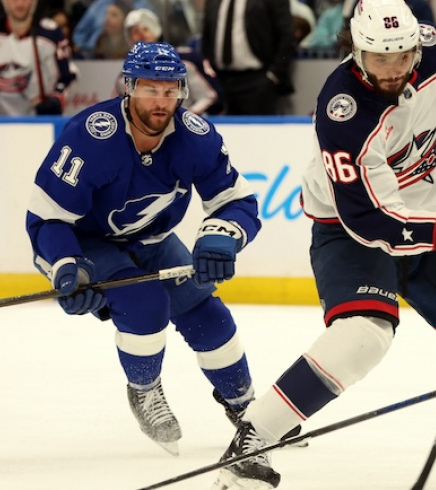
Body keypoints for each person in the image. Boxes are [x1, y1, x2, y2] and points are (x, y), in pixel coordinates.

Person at [209, 1, 436, 488]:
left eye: (403, 56)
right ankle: (254, 437)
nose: (393, 70)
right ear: (356, 49)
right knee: (361, 338)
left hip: (424, 218)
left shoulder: (435, 51)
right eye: (379, 59)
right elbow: (372, 219)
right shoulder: (342, 111)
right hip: (350, 231)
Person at [25, 42, 263, 457]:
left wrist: (221, 236)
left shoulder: (194, 138)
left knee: (209, 315)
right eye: (151, 89)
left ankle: (249, 410)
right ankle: (145, 389)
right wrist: (66, 266)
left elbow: (235, 200)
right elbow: (47, 217)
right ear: (129, 87)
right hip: (88, 243)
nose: (162, 101)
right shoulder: (90, 136)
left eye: (171, 90)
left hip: (153, 240)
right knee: (145, 302)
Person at [201, 0, 295, 115]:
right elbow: (206, 38)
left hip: (257, 81)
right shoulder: (213, 2)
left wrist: (273, 75)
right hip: (219, 82)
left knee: (258, 131)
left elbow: (287, 36)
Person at [121, 8, 219, 115]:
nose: (141, 34)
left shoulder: (184, 62)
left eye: (146, 28)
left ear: (156, 30)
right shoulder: (125, 77)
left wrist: (185, 117)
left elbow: (207, 97)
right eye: (135, 31)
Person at [0, 0, 76, 115]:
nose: (19, 4)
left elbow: (67, 76)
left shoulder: (50, 34)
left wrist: (55, 100)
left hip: (38, 121)